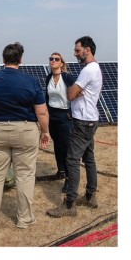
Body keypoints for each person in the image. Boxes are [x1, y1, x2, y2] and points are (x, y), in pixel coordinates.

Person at [0, 42, 51, 229]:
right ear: (21, 59)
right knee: (25, 175)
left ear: (3, 59)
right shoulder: (31, 81)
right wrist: (45, 132)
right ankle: (24, 219)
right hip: (25, 131)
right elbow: (41, 112)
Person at [47, 36, 103, 218]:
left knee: (71, 160)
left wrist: (75, 92)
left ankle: (70, 204)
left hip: (83, 121)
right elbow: (74, 93)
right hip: (90, 119)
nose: (75, 53)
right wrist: (77, 92)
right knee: (89, 158)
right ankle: (90, 196)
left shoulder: (88, 70)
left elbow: (70, 94)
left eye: (77, 50)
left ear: (87, 50)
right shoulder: (93, 68)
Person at [45, 51, 75, 182]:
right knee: (57, 145)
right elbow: (47, 98)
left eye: (56, 59)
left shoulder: (67, 77)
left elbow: (77, 93)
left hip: (64, 115)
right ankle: (60, 170)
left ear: (61, 63)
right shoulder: (48, 78)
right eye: (51, 58)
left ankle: (69, 177)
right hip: (52, 115)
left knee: (65, 146)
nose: (53, 61)